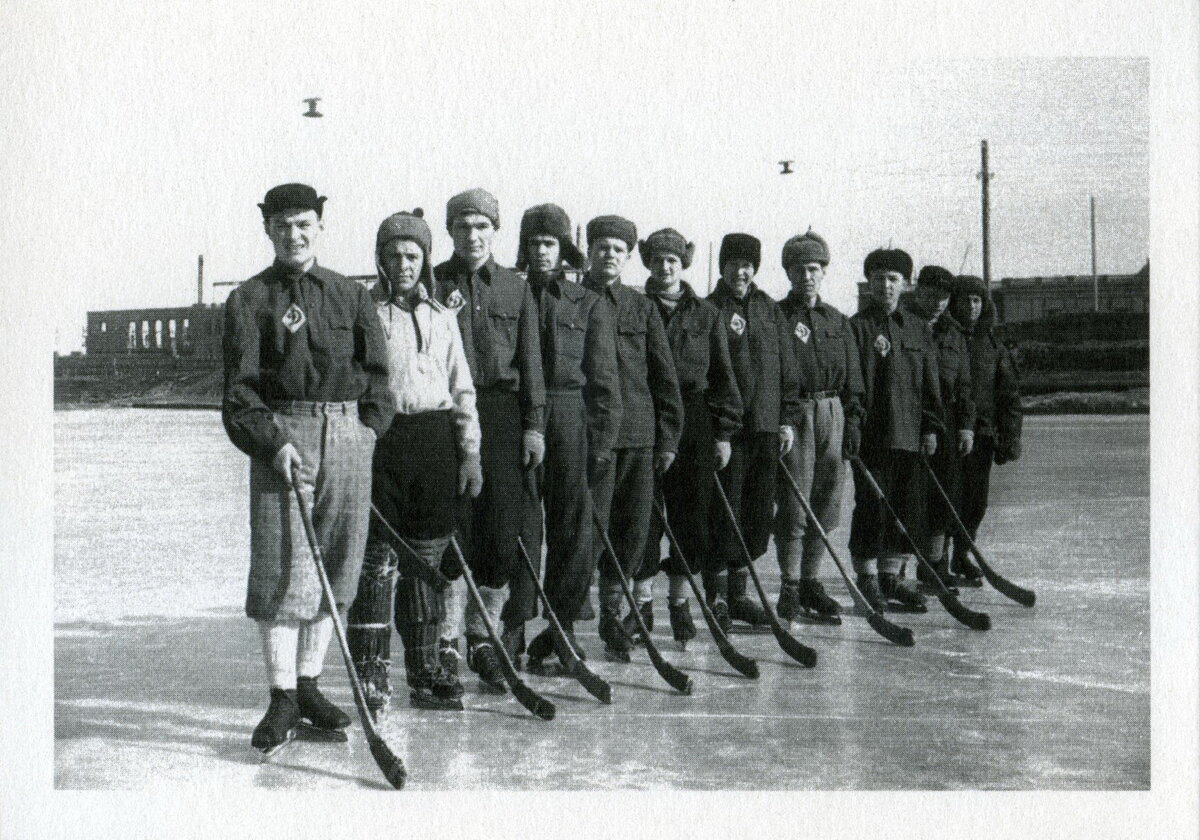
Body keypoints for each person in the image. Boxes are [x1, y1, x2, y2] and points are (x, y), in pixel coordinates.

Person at [222, 183, 394, 751]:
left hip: (348, 435)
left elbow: (378, 376)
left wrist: (368, 429)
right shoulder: (249, 300)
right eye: (281, 226)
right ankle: (281, 698)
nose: (293, 236)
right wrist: (273, 443)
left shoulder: (350, 294)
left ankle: (310, 685)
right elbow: (240, 394)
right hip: (285, 437)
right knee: (281, 567)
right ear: (267, 229)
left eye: (303, 225)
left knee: (337, 566)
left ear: (319, 227)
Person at [346, 209, 483, 712]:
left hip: (434, 443)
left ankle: (425, 670)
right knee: (378, 562)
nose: (402, 264)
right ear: (380, 259)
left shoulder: (443, 317)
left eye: (412, 255)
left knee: (426, 561)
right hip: (383, 442)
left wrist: (470, 453)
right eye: (393, 255)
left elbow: (462, 389)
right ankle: (371, 672)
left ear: (424, 259)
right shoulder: (364, 312)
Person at [431, 189, 545, 692]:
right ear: (451, 232)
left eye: (481, 227)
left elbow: (532, 361)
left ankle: (486, 635)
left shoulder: (515, 289)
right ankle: (448, 638)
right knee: (454, 527)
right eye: (462, 228)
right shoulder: (435, 282)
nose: (472, 237)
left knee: (501, 529)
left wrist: (534, 424)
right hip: (449, 413)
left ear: (495, 231)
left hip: (501, 411)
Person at [503, 204, 622, 670]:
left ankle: (562, 623)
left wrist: (603, 443)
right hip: (520, 417)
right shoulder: (510, 294)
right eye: (533, 243)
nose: (540, 252)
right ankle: (515, 622)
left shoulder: (585, 301)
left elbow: (604, 381)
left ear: (563, 248)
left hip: (571, 415)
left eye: (549, 243)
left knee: (573, 526)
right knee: (523, 524)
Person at [633, 228, 742, 646]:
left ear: (683, 265)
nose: (664, 268)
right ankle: (641, 604)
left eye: (672, 261)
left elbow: (722, 375)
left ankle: (679, 602)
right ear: (648, 262)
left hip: (694, 415)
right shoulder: (634, 307)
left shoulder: (706, 313)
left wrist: (724, 431)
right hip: (645, 412)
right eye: (658, 260)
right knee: (643, 513)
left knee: (692, 513)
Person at [582, 215, 684, 662]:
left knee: (630, 533)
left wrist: (668, 438)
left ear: (628, 257)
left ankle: (613, 613)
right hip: (590, 438)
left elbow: (664, 377)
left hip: (639, 438)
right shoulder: (572, 299)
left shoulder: (640, 307)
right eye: (602, 246)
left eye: (618, 250)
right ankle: (566, 620)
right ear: (589, 251)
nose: (609, 255)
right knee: (587, 531)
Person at [707, 233, 801, 631]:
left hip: (764, 428)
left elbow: (786, 367)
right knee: (722, 513)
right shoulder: (709, 308)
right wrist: (718, 432)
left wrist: (786, 418)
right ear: (722, 266)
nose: (741, 271)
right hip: (729, 433)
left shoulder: (768, 308)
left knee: (756, 515)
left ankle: (739, 595)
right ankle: (717, 599)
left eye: (748, 264)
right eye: (734, 264)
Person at [773, 230, 865, 624]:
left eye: (814, 268)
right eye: (799, 269)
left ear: (824, 272)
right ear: (789, 272)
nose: (807, 276)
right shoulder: (776, 316)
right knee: (795, 503)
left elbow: (854, 377)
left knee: (826, 502)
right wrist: (780, 419)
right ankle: (790, 586)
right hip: (797, 415)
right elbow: (771, 373)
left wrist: (854, 419)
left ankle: (811, 582)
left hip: (833, 412)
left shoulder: (838, 321)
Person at [847, 247, 944, 613]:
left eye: (893, 279)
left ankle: (891, 575)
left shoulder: (918, 329)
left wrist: (931, 428)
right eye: (878, 279)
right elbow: (853, 385)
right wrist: (853, 426)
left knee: (905, 507)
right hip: (872, 436)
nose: (885, 286)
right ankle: (868, 578)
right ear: (869, 283)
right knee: (871, 505)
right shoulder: (856, 328)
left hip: (910, 435)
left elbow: (930, 385)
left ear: (905, 284)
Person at [902, 265, 975, 587]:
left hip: (945, 422)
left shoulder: (953, 332)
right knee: (909, 497)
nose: (938, 303)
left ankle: (934, 564)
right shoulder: (903, 325)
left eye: (944, 297)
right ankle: (897, 569)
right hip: (907, 419)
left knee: (943, 496)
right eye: (931, 295)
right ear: (918, 291)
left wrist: (966, 425)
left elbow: (964, 384)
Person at [948, 274, 1023, 583]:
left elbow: (1009, 395)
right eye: (965, 299)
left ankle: (961, 554)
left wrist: (1010, 437)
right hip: (947, 435)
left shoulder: (992, 345)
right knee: (945, 500)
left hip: (982, 435)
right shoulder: (943, 337)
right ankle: (934, 562)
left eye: (977, 300)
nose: (971, 306)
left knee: (975, 502)